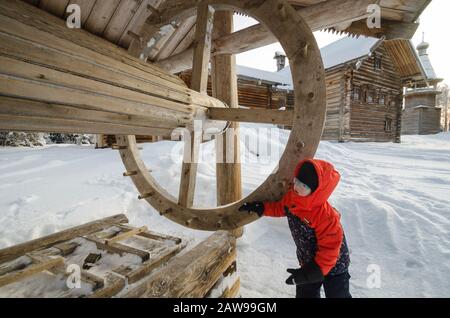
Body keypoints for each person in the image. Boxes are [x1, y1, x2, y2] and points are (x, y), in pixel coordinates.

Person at [239, 159, 351, 298]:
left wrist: (312, 273)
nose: (297, 186)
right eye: (297, 180)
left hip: (334, 265)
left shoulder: (326, 216)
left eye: (303, 185)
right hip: (308, 259)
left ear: (316, 190)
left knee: (337, 294)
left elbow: (330, 249)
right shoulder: (294, 197)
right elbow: (281, 207)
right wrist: (262, 208)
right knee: (305, 294)